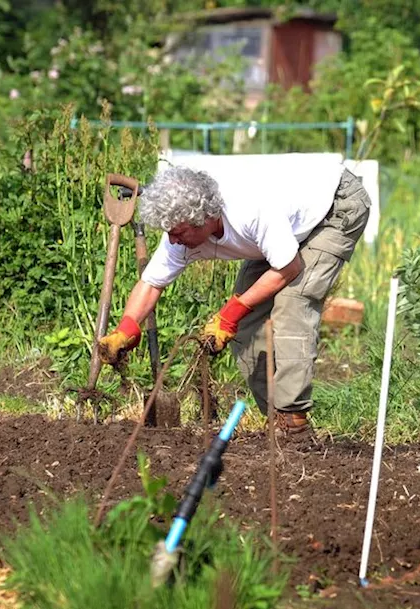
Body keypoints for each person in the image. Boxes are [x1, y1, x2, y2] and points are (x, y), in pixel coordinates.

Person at [96, 157, 371, 437]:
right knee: (247, 327)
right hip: (284, 226)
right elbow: (151, 283)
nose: (174, 241)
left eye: (179, 233)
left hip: (333, 205)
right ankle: (277, 419)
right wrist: (126, 328)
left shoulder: (250, 210)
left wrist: (231, 312)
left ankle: (292, 421)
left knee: (293, 302)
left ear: (204, 218)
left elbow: (289, 267)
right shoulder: (179, 234)